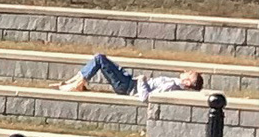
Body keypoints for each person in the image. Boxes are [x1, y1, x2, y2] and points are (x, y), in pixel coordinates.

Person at [60, 53, 205, 96]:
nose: (186, 71)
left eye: (189, 74)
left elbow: (145, 98)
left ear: (187, 83)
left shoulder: (171, 86)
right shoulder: (173, 84)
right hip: (129, 81)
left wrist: (142, 80)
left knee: (100, 59)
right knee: (101, 58)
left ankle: (76, 83)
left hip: (128, 87)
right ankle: (76, 81)